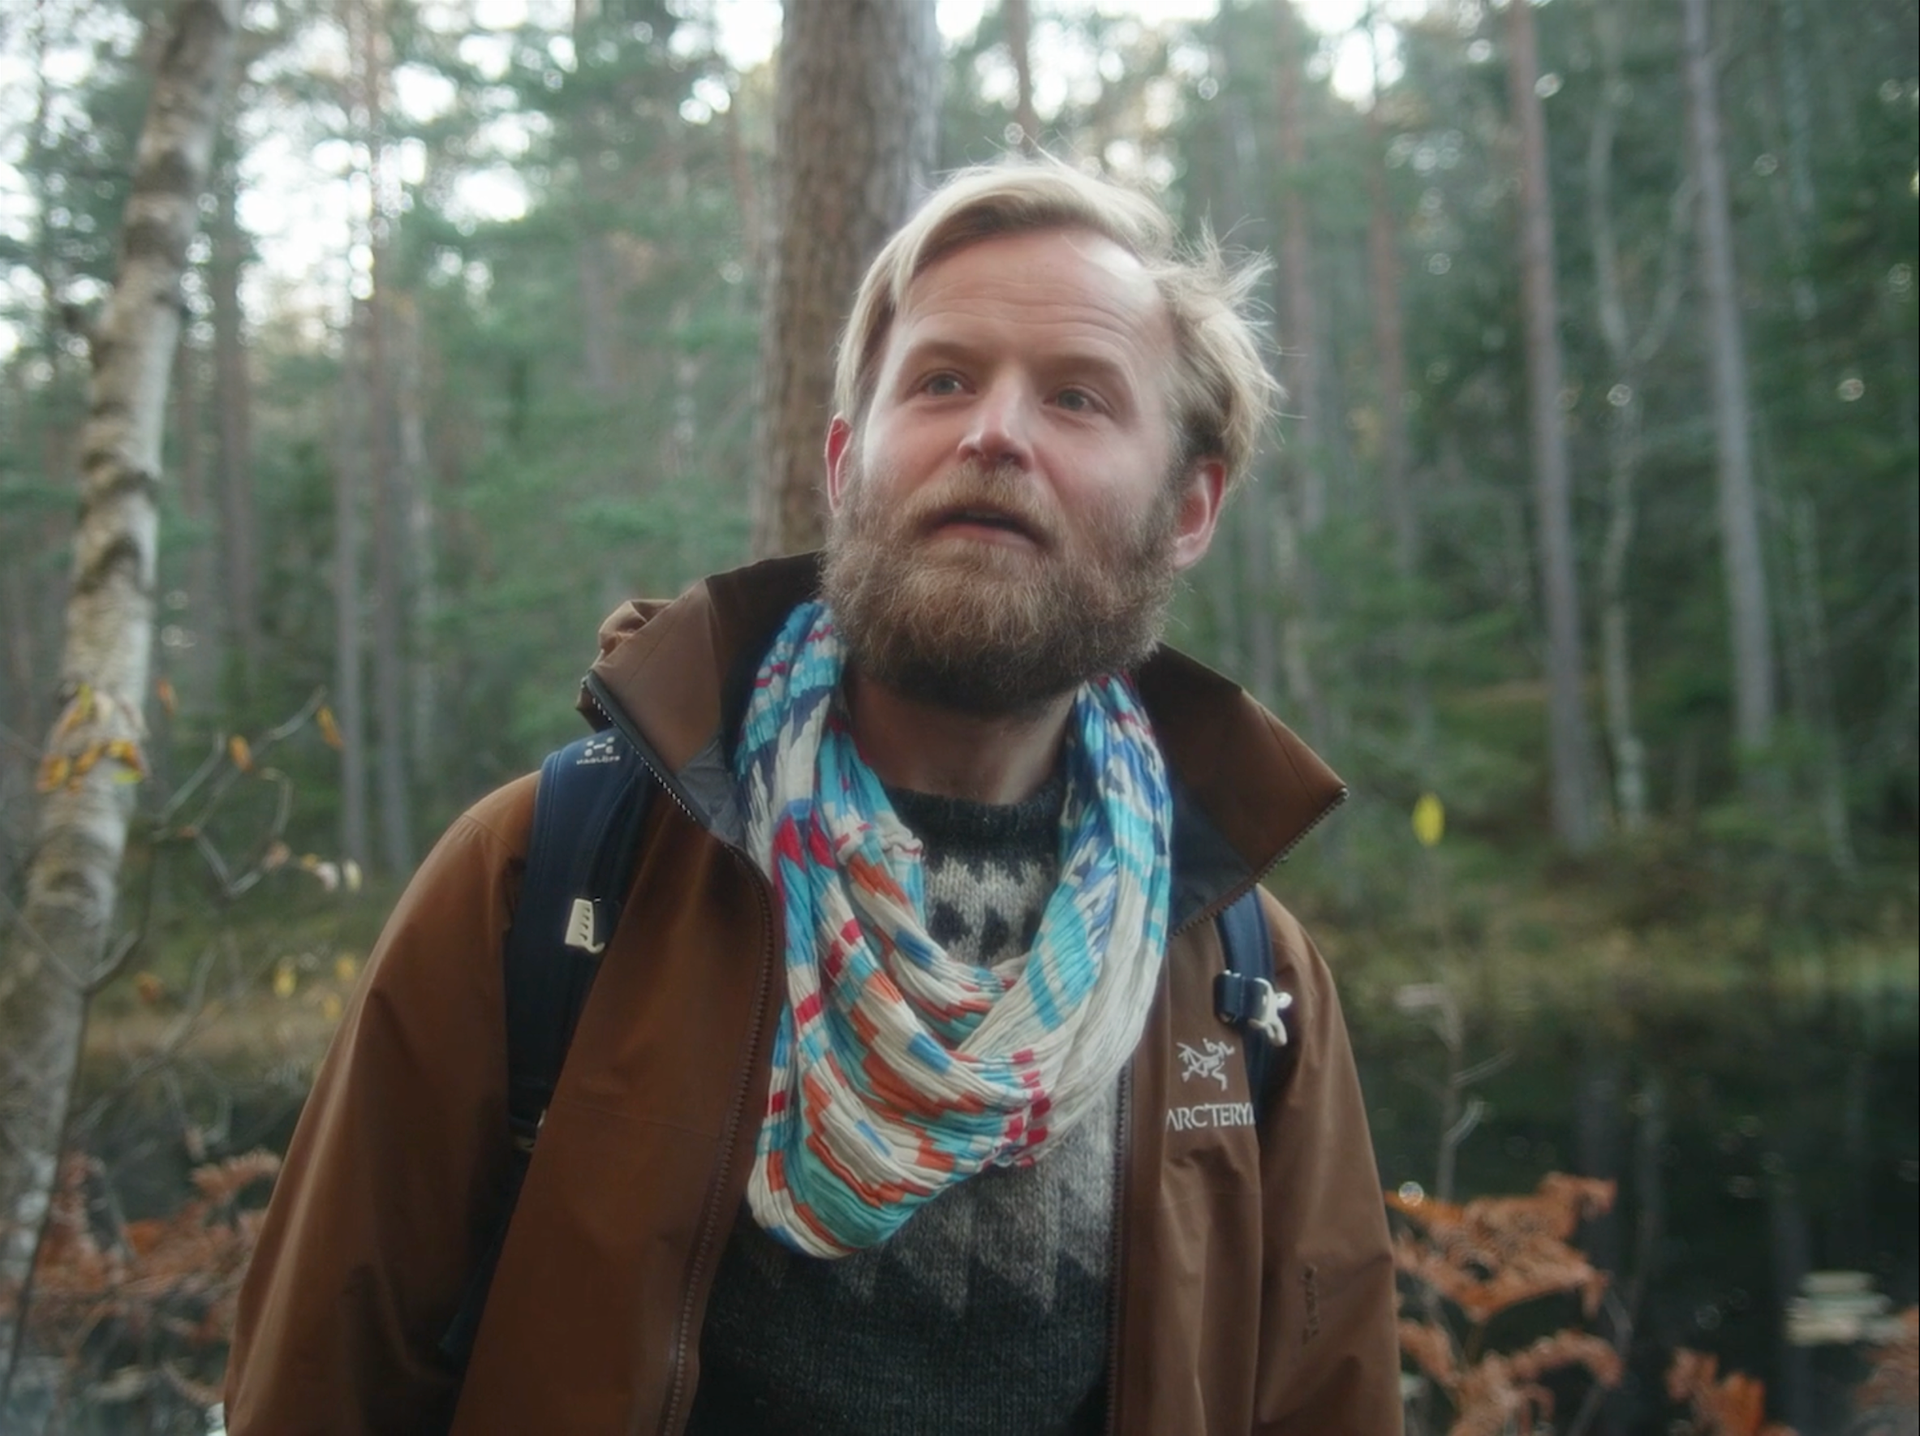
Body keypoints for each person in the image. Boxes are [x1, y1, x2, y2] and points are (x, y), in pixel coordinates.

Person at [224, 158, 1402, 1435]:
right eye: (942, 380)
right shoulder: (548, 874)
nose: (994, 432)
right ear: (847, 462)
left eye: (1076, 396)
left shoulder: (1239, 973)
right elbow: (315, 1386)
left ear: (1189, 507)